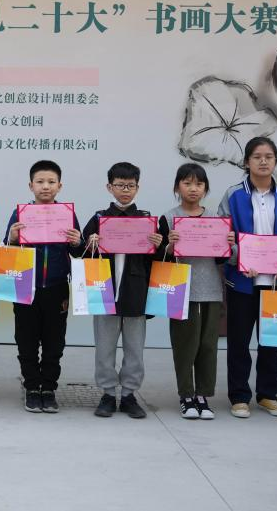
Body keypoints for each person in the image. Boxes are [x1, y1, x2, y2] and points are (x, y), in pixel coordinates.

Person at [218, 137, 277, 418]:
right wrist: (238, 257)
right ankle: (239, 396)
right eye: (257, 157)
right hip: (243, 280)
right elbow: (222, 236)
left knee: (271, 341)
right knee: (239, 341)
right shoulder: (233, 195)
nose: (263, 161)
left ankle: (268, 394)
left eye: (269, 156)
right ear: (247, 162)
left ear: (276, 161)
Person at [82, 161, 163, 420]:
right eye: (120, 185)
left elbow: (158, 260)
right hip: (104, 290)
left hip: (136, 292)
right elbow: (80, 252)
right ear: (109, 187)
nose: (125, 190)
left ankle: (129, 394)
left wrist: (159, 245)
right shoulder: (98, 219)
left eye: (130, 186)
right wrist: (90, 242)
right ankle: (107, 393)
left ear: (138, 187)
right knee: (104, 348)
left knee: (135, 349)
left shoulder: (147, 220)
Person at [3, 159, 83, 413]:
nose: (45, 186)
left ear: (59, 186)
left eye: (51, 182)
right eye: (40, 182)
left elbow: (79, 252)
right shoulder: (20, 213)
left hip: (57, 287)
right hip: (25, 287)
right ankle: (31, 387)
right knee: (26, 340)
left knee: (54, 342)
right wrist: (12, 238)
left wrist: (76, 242)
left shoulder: (67, 214)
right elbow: (8, 248)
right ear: (31, 186)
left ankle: (48, 388)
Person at [157, 163, 235, 420]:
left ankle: (203, 395)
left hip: (211, 289)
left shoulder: (216, 219)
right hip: (181, 291)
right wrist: (170, 246)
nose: (193, 189)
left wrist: (229, 245)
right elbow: (159, 257)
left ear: (205, 189)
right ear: (177, 187)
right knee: (184, 345)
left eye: (199, 184)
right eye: (187, 183)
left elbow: (223, 259)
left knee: (208, 345)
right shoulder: (168, 218)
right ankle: (186, 395)